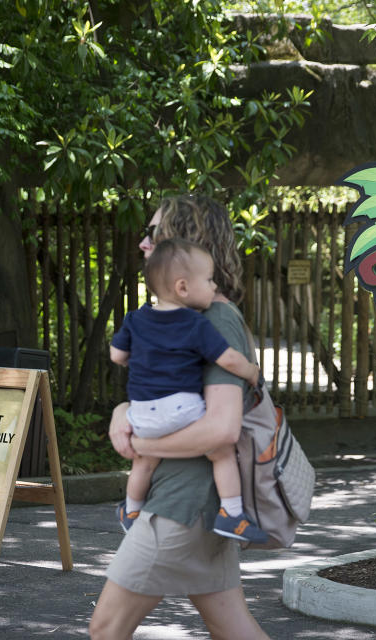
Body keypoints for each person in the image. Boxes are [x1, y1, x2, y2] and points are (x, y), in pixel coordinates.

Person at [89, 195, 270, 640]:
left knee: (106, 628)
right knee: (231, 626)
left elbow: (221, 428)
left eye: (154, 233)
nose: (143, 244)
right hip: (195, 502)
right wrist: (123, 409)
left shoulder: (215, 319)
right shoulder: (186, 319)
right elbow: (171, 398)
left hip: (182, 505)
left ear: (183, 243)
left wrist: (142, 445)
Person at [110, 237, 268, 544]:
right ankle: (232, 514)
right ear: (183, 288)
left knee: (142, 462)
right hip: (182, 410)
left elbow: (117, 356)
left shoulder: (135, 318)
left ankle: (130, 511)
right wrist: (252, 371)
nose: (213, 287)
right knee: (221, 452)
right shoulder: (196, 324)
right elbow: (229, 360)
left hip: (142, 412)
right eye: (208, 280)